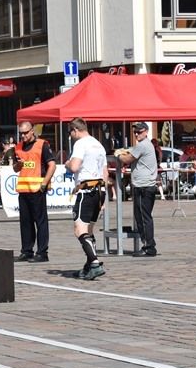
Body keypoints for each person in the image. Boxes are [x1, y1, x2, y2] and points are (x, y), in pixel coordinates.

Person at [66, 118, 108, 280]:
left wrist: (68, 163)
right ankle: (89, 266)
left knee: (79, 230)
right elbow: (104, 172)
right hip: (99, 190)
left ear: (75, 130)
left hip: (86, 190)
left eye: (71, 133)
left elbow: (75, 166)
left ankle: (95, 263)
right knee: (89, 230)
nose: (71, 136)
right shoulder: (98, 144)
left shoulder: (80, 144)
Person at [13, 120, 56, 263]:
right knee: (25, 222)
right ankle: (26, 251)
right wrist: (17, 165)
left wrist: (44, 183)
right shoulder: (18, 147)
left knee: (40, 221)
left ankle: (42, 253)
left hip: (38, 189)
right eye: (21, 134)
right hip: (23, 189)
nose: (23, 136)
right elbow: (16, 168)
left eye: (26, 133)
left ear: (32, 131)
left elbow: (52, 165)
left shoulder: (42, 145)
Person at [116, 122, 159, 256]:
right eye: (135, 132)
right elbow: (131, 152)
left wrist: (118, 155)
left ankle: (149, 246)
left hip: (143, 186)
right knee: (143, 216)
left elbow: (128, 159)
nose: (136, 134)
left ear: (146, 132)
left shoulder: (143, 145)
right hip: (145, 185)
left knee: (143, 217)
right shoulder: (143, 145)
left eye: (139, 132)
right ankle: (148, 245)